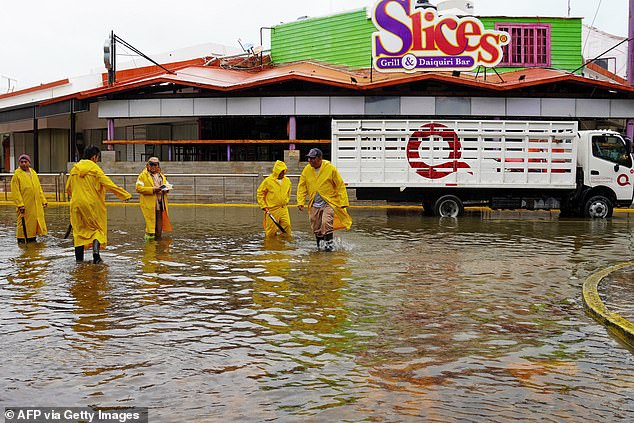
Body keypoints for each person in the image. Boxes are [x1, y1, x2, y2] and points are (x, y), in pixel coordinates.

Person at [65, 146, 132, 264]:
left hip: (76, 204)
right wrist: (124, 195)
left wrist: (77, 197)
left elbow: (68, 188)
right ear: (94, 157)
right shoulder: (95, 169)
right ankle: (96, 255)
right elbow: (108, 183)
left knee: (78, 231)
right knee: (97, 229)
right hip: (92, 204)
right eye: (97, 157)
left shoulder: (74, 170)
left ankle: (79, 261)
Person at [297, 148, 352, 251]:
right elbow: (302, 186)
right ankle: (319, 247)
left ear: (320, 158)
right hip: (314, 203)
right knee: (316, 226)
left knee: (326, 223)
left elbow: (340, 185)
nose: (310, 161)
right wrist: (300, 201)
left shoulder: (330, 168)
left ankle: (328, 248)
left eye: (313, 158)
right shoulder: (307, 170)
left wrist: (344, 202)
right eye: (309, 158)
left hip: (329, 202)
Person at [10, 154, 48, 243]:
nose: (23, 164)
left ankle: (32, 240)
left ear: (29, 163)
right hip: (25, 206)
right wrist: (20, 204)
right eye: (21, 162)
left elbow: (38, 188)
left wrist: (43, 200)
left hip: (35, 206)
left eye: (25, 162)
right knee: (23, 225)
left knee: (34, 223)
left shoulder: (33, 173)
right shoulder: (16, 175)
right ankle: (22, 241)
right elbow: (15, 192)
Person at [135, 157, 173, 240]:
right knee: (150, 224)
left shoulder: (161, 176)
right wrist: (153, 190)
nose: (153, 166)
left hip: (160, 204)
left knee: (159, 225)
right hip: (149, 204)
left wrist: (166, 189)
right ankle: (149, 244)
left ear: (158, 166)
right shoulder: (142, 176)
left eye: (155, 164)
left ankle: (158, 242)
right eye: (151, 164)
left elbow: (167, 186)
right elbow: (138, 188)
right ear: (147, 165)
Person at [257, 160, 292, 237]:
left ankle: (284, 245)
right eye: (282, 171)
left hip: (283, 209)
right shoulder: (268, 181)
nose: (284, 173)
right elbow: (260, 193)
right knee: (271, 231)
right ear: (277, 171)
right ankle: (270, 246)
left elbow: (288, 192)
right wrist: (263, 206)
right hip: (272, 209)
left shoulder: (287, 181)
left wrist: (286, 201)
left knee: (287, 227)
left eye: (284, 171)